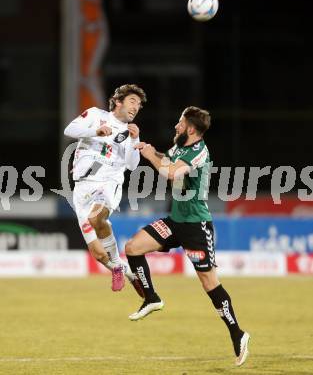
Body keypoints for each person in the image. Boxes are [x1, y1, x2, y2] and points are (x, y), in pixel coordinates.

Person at [125, 106, 250, 366]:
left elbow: (171, 172)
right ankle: (151, 297)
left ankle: (238, 334)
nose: (176, 126)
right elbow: (167, 159)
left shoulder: (199, 151)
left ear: (191, 129)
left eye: (180, 123)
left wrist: (151, 157)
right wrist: (150, 150)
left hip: (196, 226)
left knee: (209, 283)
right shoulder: (179, 147)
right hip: (176, 221)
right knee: (133, 247)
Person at [64, 84, 146, 297]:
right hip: (82, 186)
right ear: (118, 101)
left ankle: (117, 266)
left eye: (139, 104)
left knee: (96, 217)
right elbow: (69, 130)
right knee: (99, 254)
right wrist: (95, 131)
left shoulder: (130, 132)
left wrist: (135, 139)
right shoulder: (94, 114)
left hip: (108, 181)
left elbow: (132, 165)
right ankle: (127, 272)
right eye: (132, 101)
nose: (136, 107)